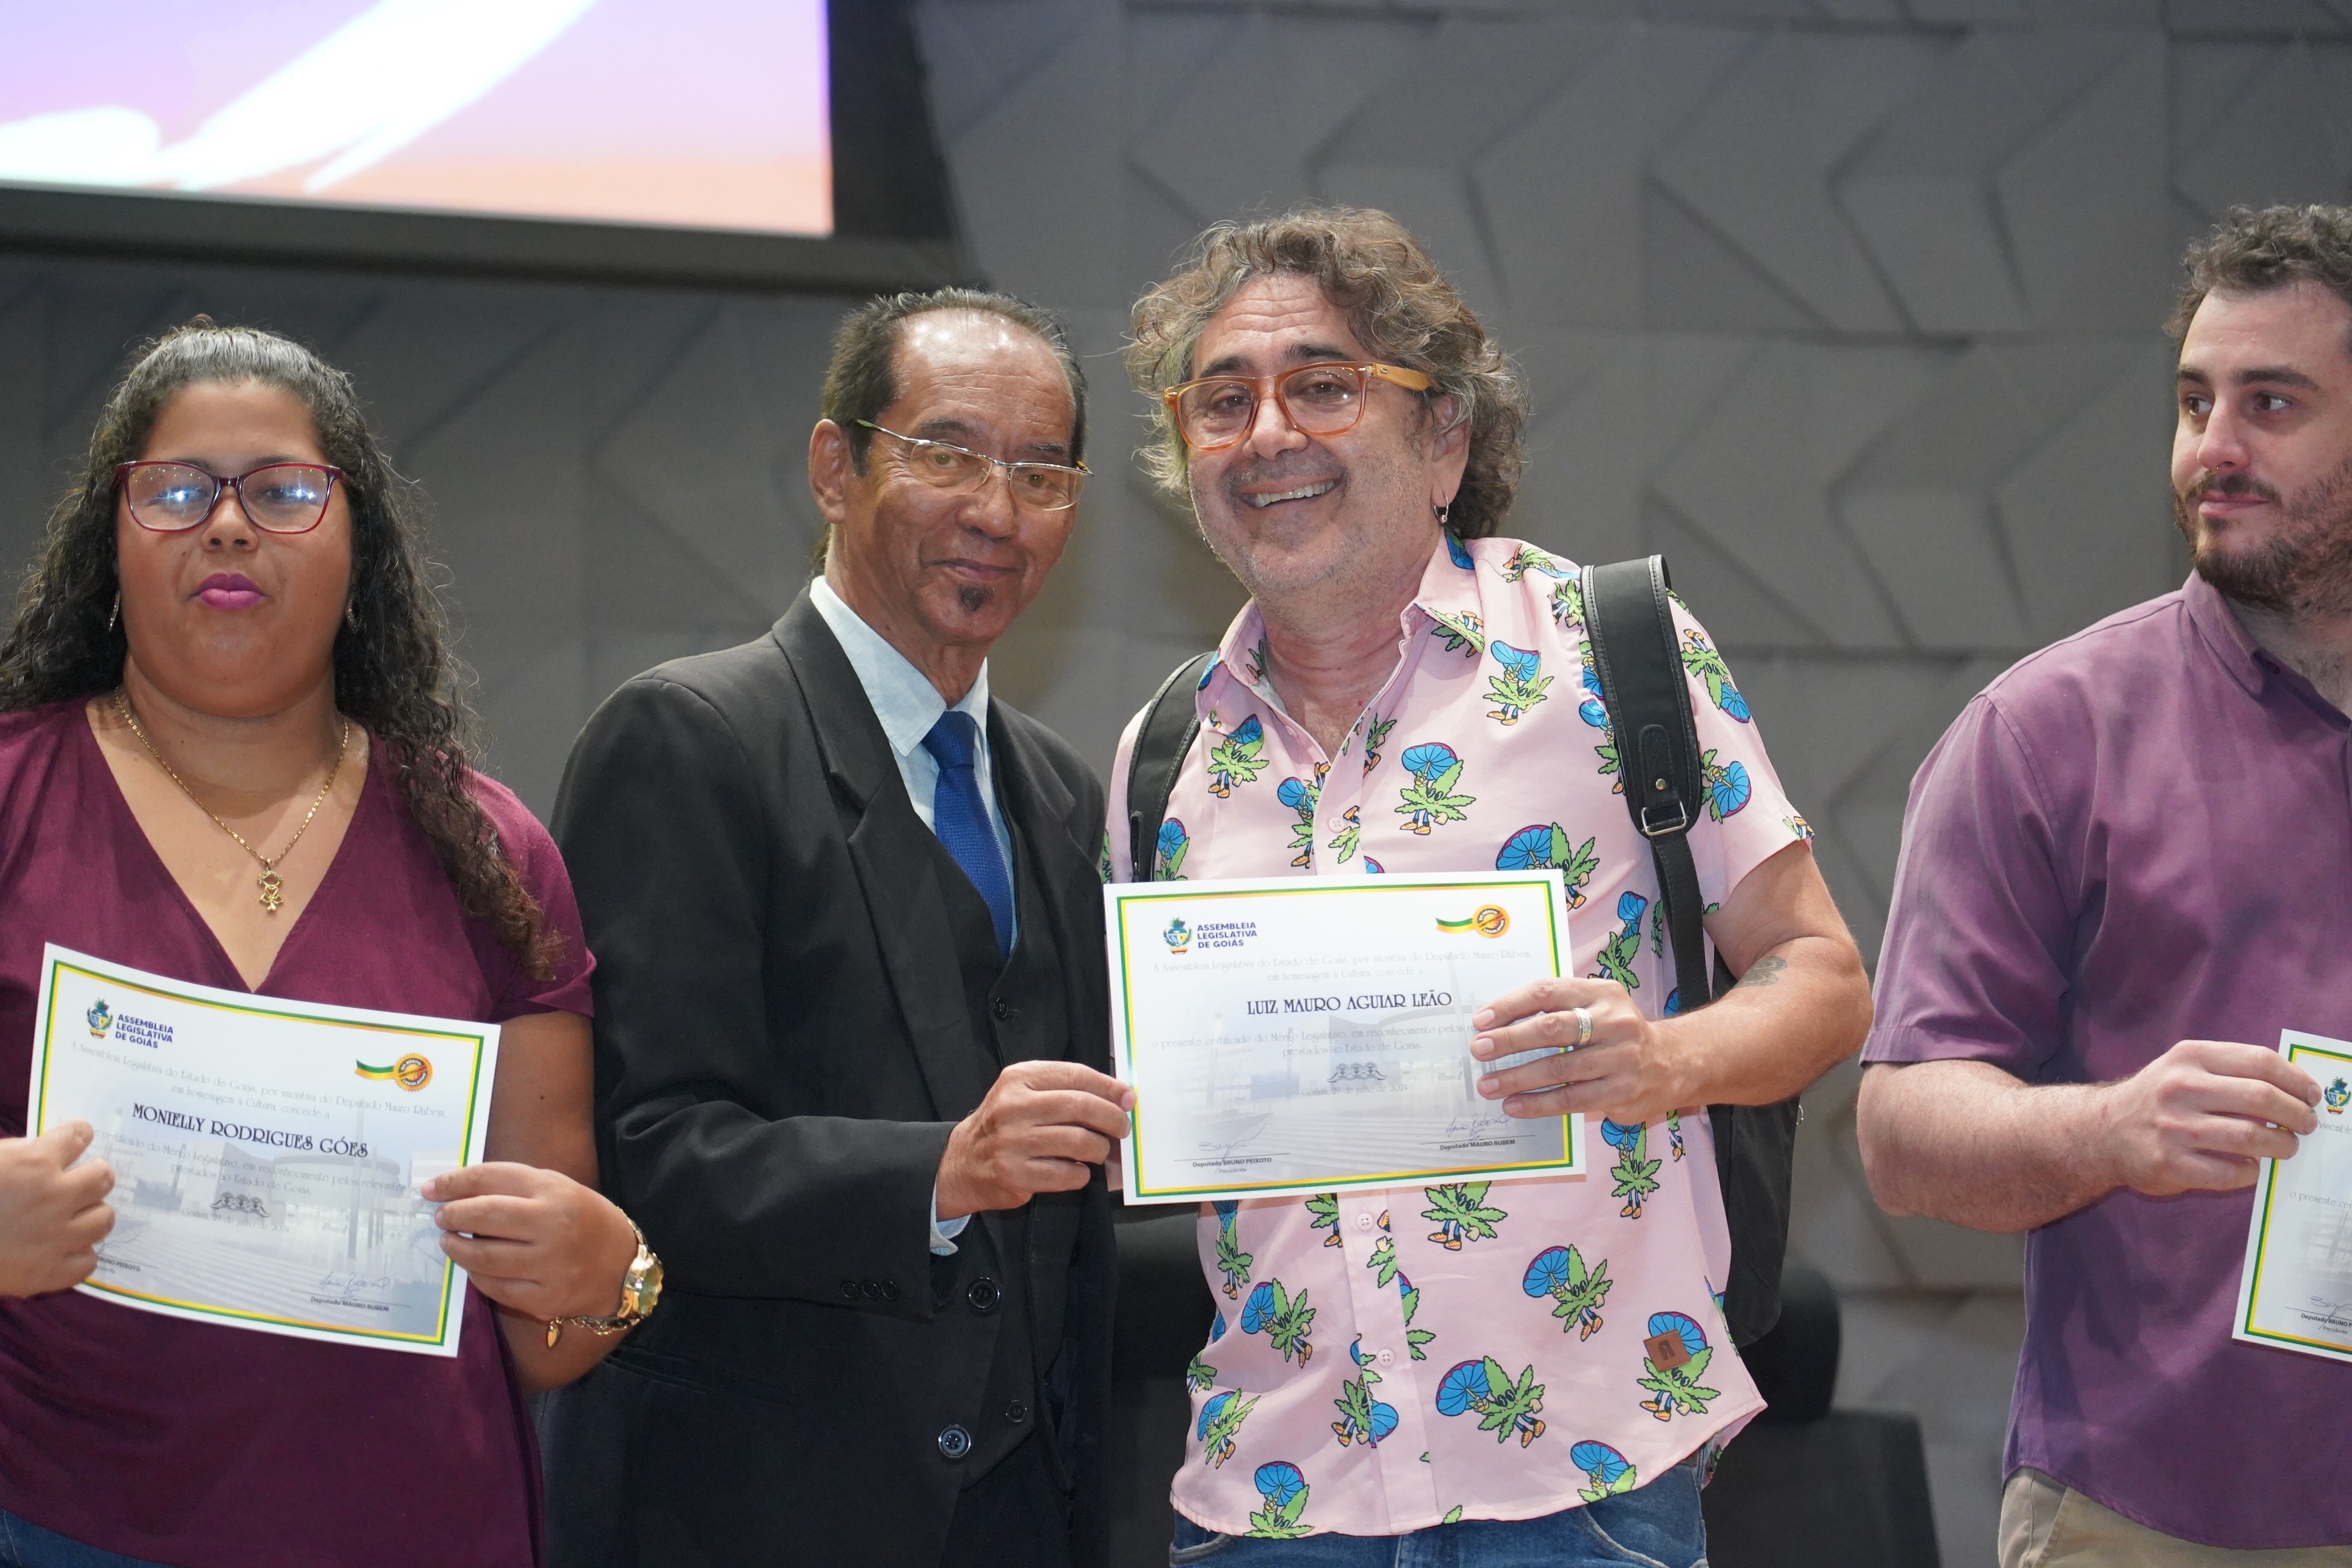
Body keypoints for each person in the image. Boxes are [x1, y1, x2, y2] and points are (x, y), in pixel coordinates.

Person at [1107, 207, 1871, 1566]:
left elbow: (1823, 975)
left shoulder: (1613, 654)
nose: (1267, 433)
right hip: (1272, 1500)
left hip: (1583, 1485)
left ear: (1446, 438)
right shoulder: (1164, 751)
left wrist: (1666, 1060)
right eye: (1222, 401)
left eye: (1323, 385)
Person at [0, 321, 648, 1568]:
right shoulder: (14, 795)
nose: (227, 527)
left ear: (361, 551)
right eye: (175, 490)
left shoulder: (493, 854)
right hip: (49, 1522)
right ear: (108, 541)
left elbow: (542, 1343)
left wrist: (615, 1276)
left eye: (285, 492)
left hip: (415, 1525)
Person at [538, 287, 1129, 1568]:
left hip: (1027, 1516)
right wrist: (937, 1173)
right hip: (760, 1510)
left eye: (1041, 474)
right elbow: (643, 1153)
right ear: (833, 467)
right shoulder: (691, 738)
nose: (996, 511)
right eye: (945, 455)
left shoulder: (1062, 792)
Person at [1856, 205, 2352, 1566]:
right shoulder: (2045, 735)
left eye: (2271, 403)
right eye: (2195, 403)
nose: (2213, 448)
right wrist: (2115, 1128)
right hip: (2152, 1518)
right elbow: (1901, 1132)